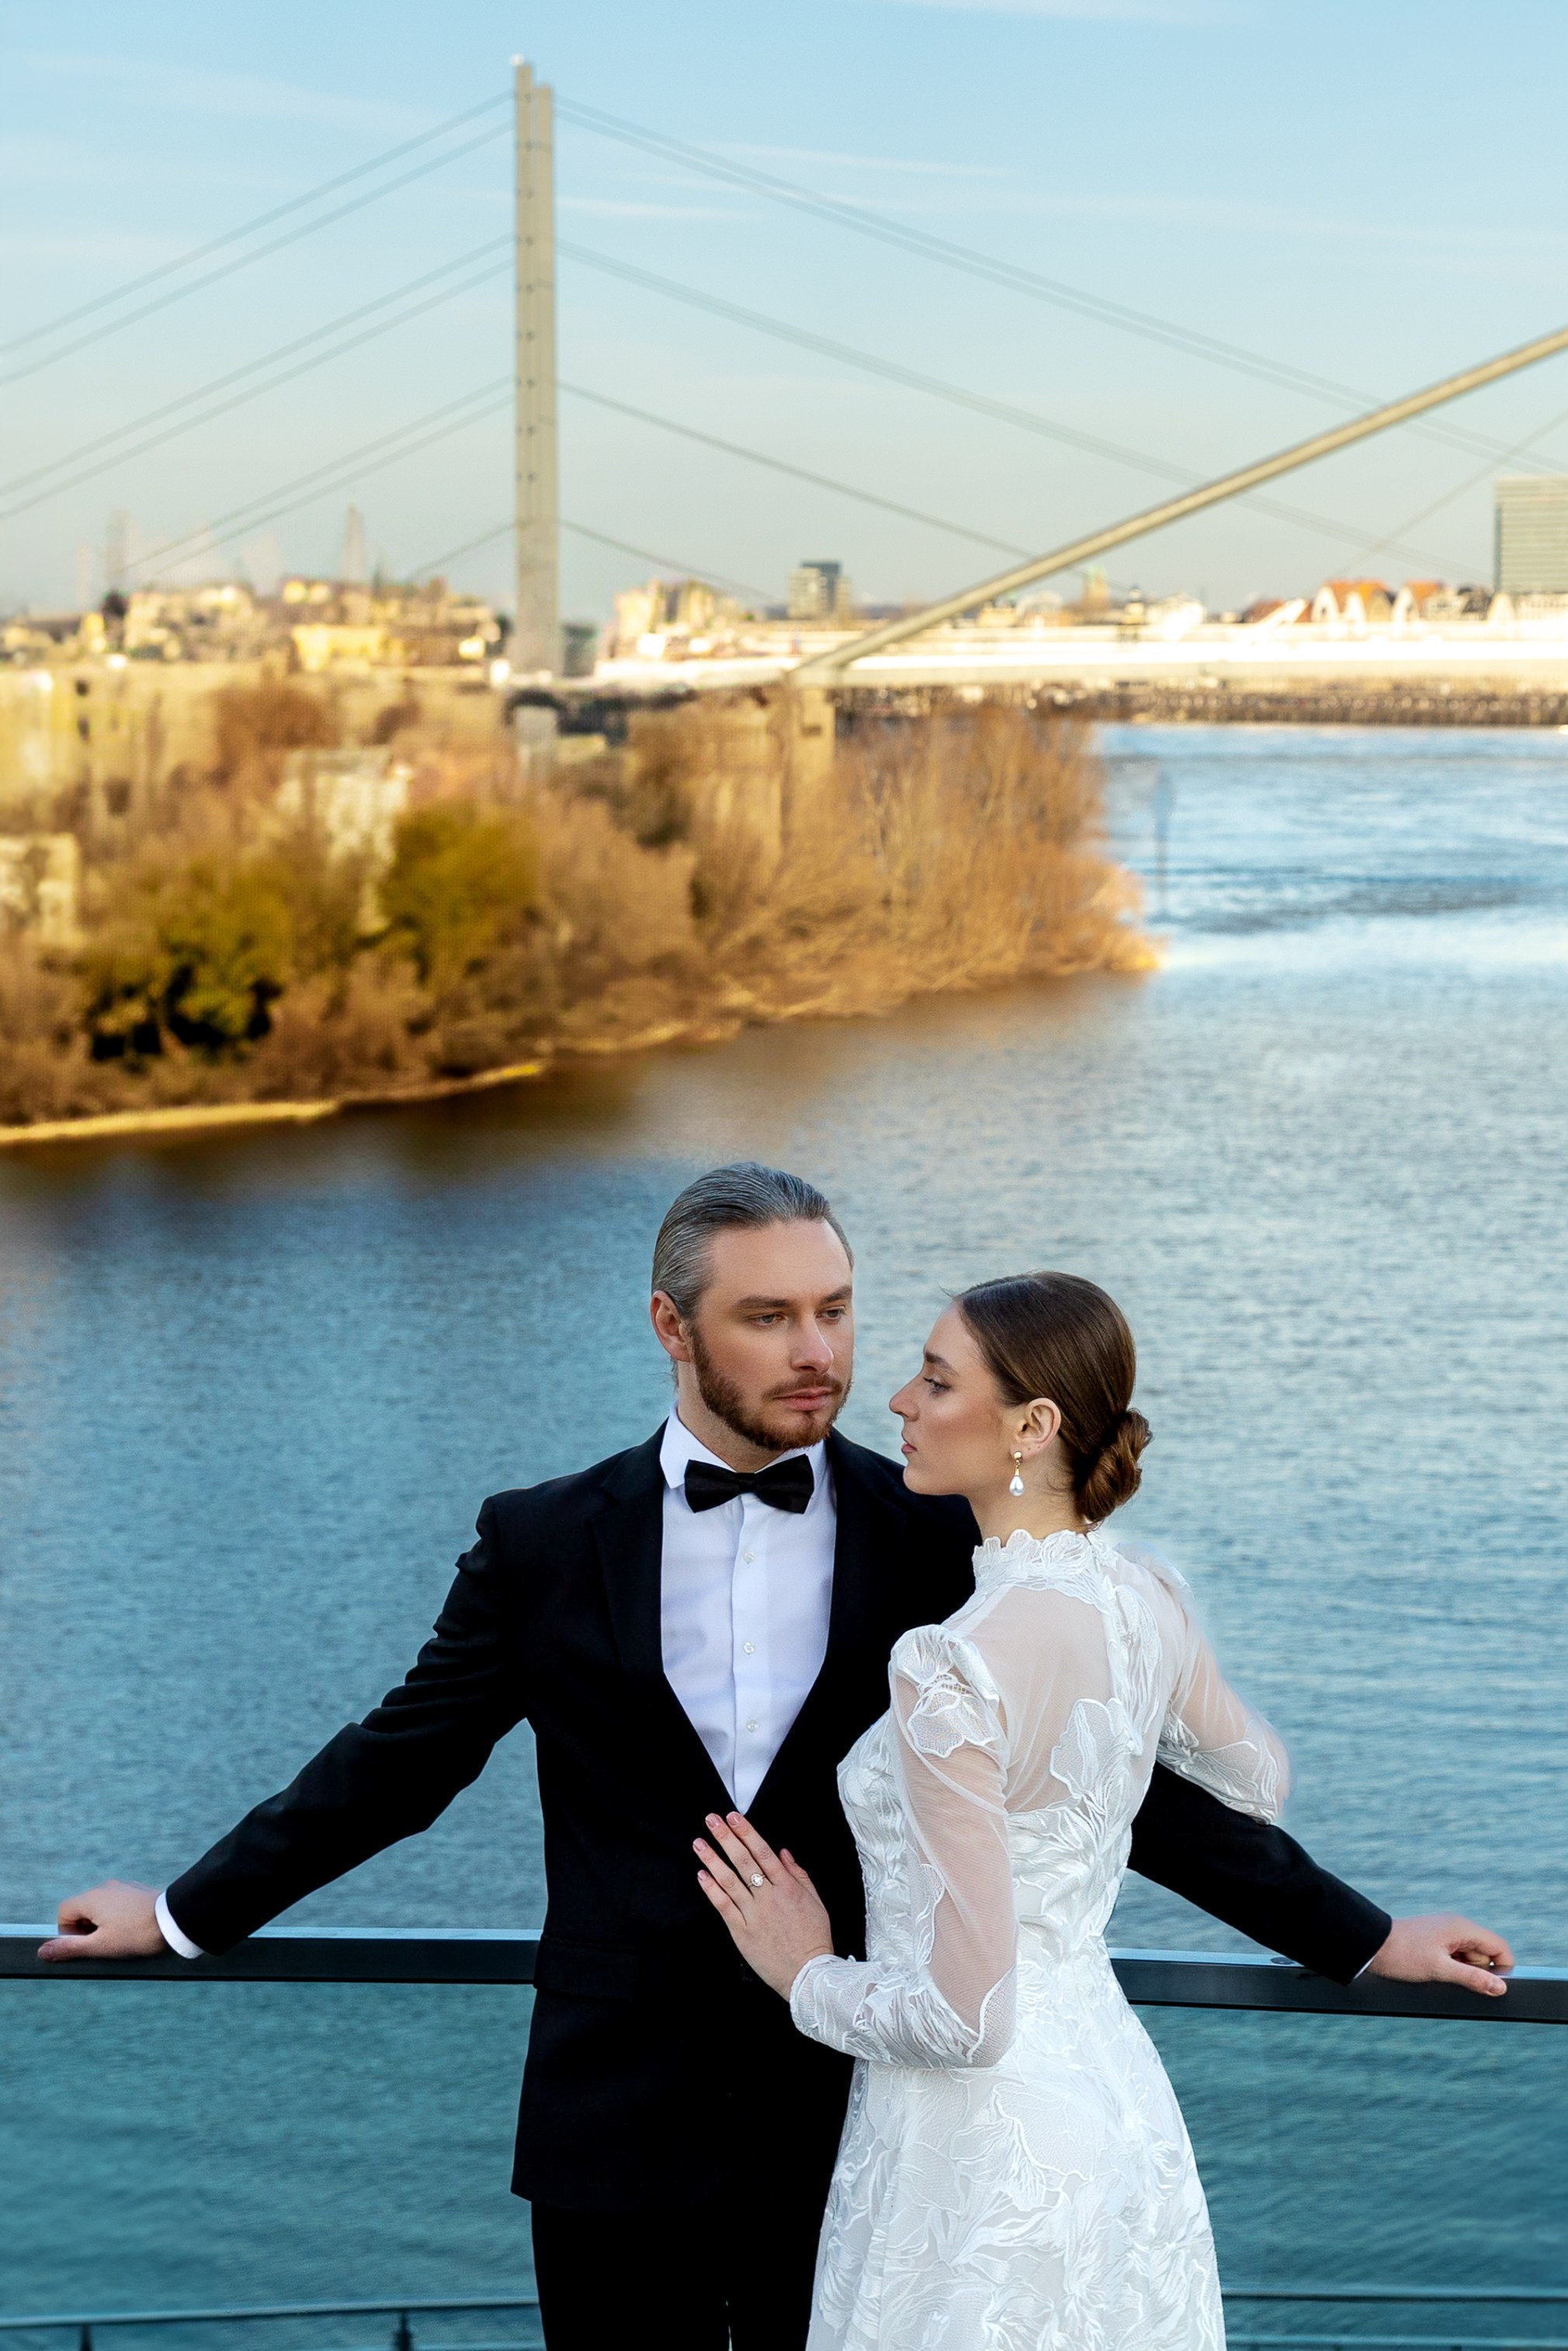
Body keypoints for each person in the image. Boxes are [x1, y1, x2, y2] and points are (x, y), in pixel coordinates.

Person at [43, 1167, 1511, 2351]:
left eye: (839, 1310)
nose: (820, 1353)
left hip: (869, 2118)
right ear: (673, 1330)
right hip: (615, 2131)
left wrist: (1367, 1937)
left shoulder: (949, 1535)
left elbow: (1124, 1796)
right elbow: (396, 1762)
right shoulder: (542, 1540)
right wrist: (181, 1913)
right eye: (769, 1317)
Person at [692, 1268, 1510, 2348]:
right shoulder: (1147, 1597)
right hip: (1116, 2122)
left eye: (935, 1380)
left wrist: (806, 1970)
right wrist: (1120, 1720)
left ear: (1031, 1425)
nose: (896, 1399)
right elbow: (1253, 1779)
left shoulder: (948, 1663)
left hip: (972, 2155)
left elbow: (966, 2019)